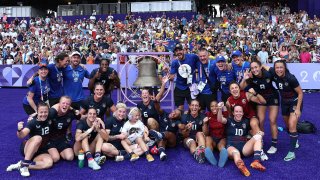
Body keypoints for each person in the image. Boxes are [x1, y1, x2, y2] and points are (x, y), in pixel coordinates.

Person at [264, 60, 303, 161]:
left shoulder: (291, 78)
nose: (279, 69)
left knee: (291, 124)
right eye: (277, 67)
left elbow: (300, 93)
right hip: (284, 103)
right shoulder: (274, 72)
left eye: (281, 67)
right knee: (287, 126)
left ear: (285, 67)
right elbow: (266, 67)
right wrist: (258, 64)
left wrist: (298, 108)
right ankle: (295, 139)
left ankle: (291, 152)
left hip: (294, 102)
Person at [240, 60, 279, 154]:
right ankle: (260, 142)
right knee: (260, 121)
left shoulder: (268, 74)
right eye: (252, 68)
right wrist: (244, 78)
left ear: (260, 67)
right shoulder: (251, 76)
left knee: (272, 120)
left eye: (256, 67)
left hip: (273, 97)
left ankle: (274, 145)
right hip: (260, 98)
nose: (254, 70)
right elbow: (241, 87)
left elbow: (277, 73)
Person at [217, 104, 266, 177]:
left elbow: (251, 132)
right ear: (233, 113)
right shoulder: (229, 120)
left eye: (240, 111)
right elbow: (220, 119)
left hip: (244, 148)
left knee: (258, 136)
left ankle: (256, 161)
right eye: (236, 111)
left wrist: (259, 133)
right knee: (236, 153)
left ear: (243, 113)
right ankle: (241, 165)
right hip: (231, 146)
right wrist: (220, 109)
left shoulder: (246, 121)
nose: (238, 113)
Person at [6, 103, 54, 177]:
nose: (43, 114)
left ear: (48, 112)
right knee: (38, 138)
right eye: (41, 112)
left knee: (49, 163)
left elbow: (57, 107)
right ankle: (25, 164)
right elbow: (21, 135)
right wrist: (19, 130)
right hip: (29, 147)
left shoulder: (50, 117)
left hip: (41, 150)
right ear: (37, 112)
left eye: (45, 112)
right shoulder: (32, 122)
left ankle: (22, 165)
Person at [46, 96, 79, 163]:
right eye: (63, 103)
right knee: (56, 158)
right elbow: (41, 117)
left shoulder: (71, 113)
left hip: (62, 139)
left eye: (67, 104)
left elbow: (81, 117)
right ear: (59, 104)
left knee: (70, 157)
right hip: (50, 140)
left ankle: (57, 151)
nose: (65, 105)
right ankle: (48, 151)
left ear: (70, 106)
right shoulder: (52, 112)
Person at [169, 43, 199, 111]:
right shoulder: (175, 62)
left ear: (184, 50)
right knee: (180, 109)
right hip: (179, 87)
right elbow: (172, 77)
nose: (178, 52)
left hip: (191, 87)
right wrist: (168, 74)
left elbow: (200, 61)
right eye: (176, 51)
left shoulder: (192, 57)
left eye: (180, 50)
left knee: (193, 109)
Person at [178, 99, 207, 163]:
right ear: (189, 106)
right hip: (188, 138)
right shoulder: (184, 117)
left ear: (199, 107)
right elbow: (182, 135)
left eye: (196, 106)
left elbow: (206, 133)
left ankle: (201, 151)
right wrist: (187, 128)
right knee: (192, 141)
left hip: (199, 139)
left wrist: (204, 123)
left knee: (199, 133)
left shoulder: (203, 117)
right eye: (192, 105)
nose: (194, 107)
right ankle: (197, 155)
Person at [202, 100, 228, 167]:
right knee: (207, 139)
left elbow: (226, 110)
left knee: (221, 146)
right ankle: (209, 153)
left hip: (222, 137)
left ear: (218, 106)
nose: (214, 108)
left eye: (216, 106)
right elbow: (205, 133)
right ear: (209, 108)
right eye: (212, 106)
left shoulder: (224, 113)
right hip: (212, 137)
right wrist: (204, 123)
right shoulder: (208, 115)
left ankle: (223, 155)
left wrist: (223, 105)